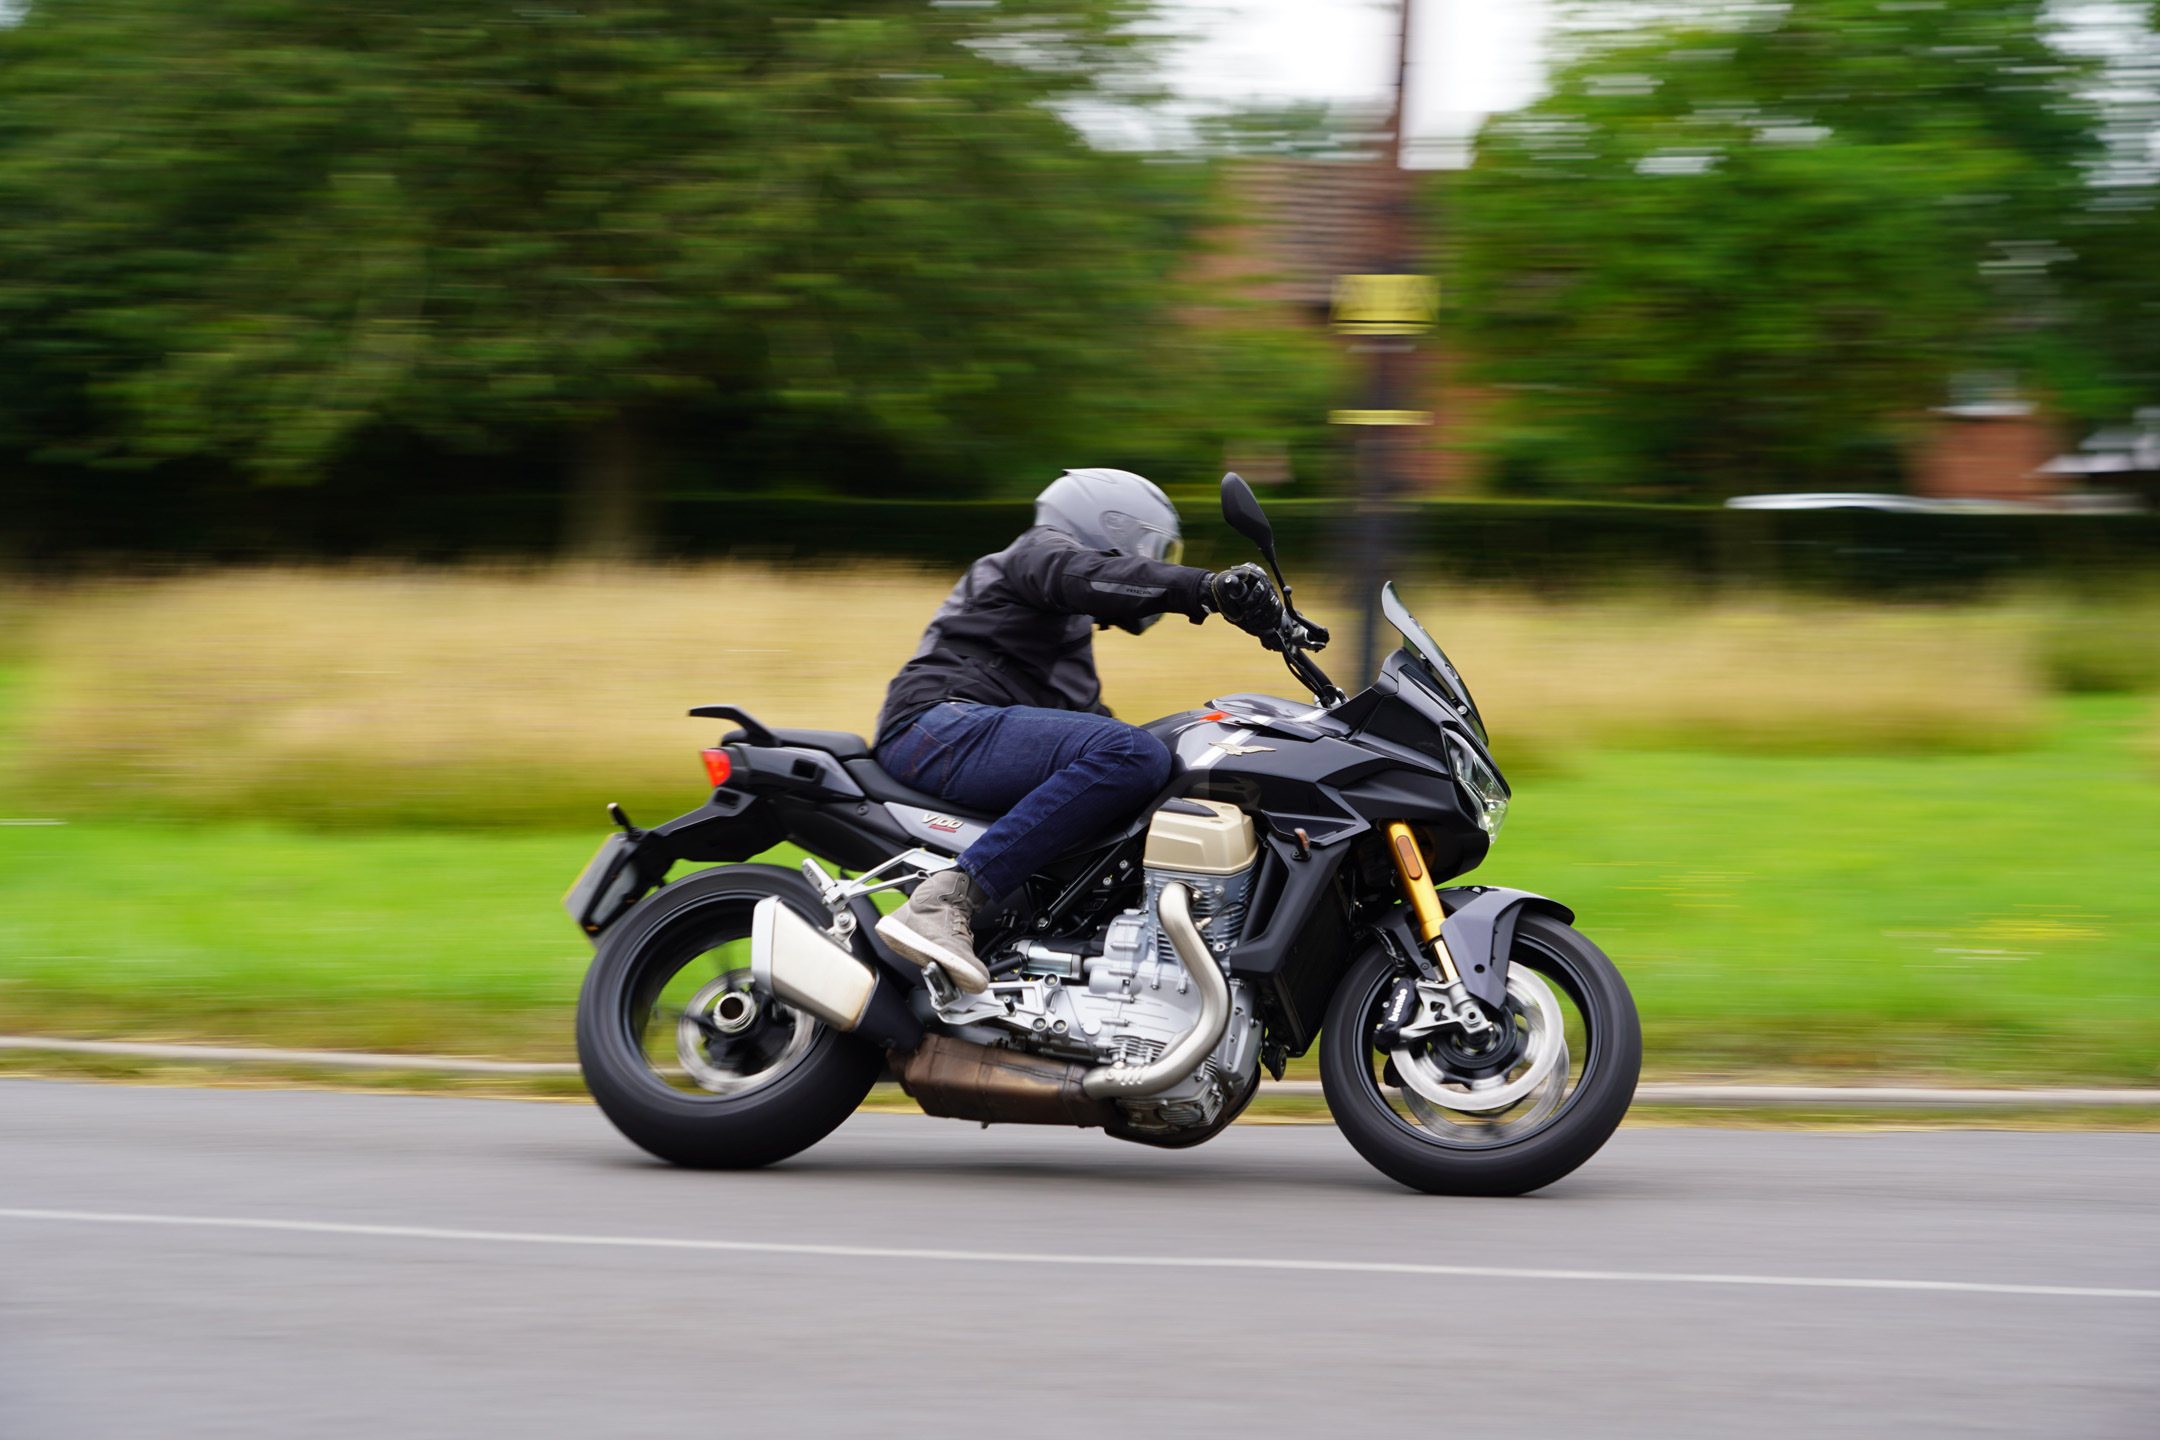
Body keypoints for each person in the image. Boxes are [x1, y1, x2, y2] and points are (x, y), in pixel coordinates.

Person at [872, 468, 1286, 993]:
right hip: (934, 723)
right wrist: (1205, 588)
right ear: (1104, 524)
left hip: (964, 732)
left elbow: (1096, 731)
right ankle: (944, 899)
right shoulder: (1039, 554)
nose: (1151, 559)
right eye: (1146, 544)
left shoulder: (1064, 632)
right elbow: (1086, 574)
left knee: (1165, 761)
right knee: (1133, 753)